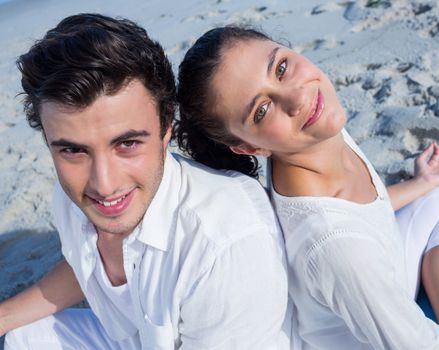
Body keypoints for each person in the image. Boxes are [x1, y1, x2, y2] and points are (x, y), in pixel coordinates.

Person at [173, 26, 439, 350]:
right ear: (250, 148)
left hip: (380, 275)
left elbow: (364, 214)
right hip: (369, 335)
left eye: (281, 67)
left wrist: (421, 182)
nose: (295, 98)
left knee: (438, 202)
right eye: (262, 110)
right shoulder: (335, 246)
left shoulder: (316, 133)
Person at [0, 15, 291, 349]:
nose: (104, 185)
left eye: (127, 144)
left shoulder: (225, 245)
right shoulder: (70, 196)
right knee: (24, 338)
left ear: (166, 126)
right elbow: (86, 264)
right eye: (73, 150)